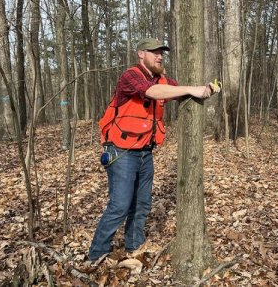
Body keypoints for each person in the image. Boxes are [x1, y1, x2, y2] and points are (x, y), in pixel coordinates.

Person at [88, 38, 216, 261]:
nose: (159, 57)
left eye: (161, 53)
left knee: (142, 203)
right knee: (120, 205)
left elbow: (177, 91)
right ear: (140, 54)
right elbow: (152, 92)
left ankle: (133, 245)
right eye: (154, 52)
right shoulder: (131, 76)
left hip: (145, 152)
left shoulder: (162, 79)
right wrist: (191, 89)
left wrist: (205, 89)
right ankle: (97, 254)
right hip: (121, 151)